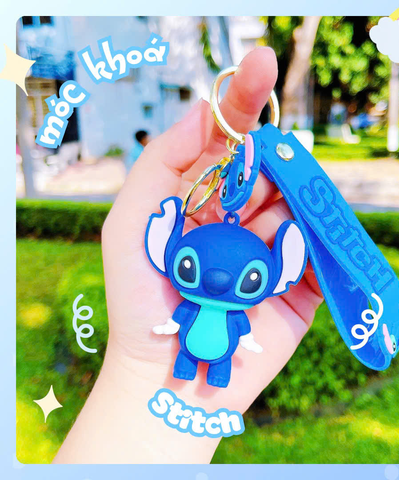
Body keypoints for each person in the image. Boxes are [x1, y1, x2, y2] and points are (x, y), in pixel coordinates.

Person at [53, 47, 323, 464]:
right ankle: (186, 368)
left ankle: (215, 373)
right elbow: (181, 318)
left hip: (209, 356)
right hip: (172, 359)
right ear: (167, 250)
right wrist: (152, 344)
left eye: (251, 279)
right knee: (186, 357)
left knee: (218, 364)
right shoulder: (195, 299)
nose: (216, 282)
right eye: (190, 267)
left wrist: (247, 340)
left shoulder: (235, 309)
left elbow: (240, 329)